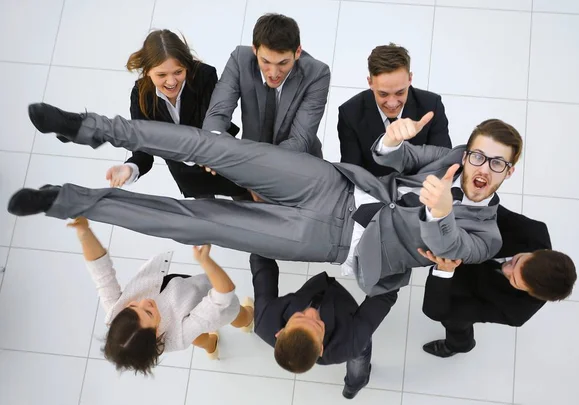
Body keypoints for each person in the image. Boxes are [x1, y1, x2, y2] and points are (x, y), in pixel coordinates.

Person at [12, 102, 521, 296]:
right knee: (213, 147)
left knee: (198, 222)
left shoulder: (487, 234)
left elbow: (452, 244)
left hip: (329, 239)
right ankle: (88, 128)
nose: (482, 170)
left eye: (497, 164)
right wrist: (393, 140)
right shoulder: (452, 157)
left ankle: (66, 200)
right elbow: (393, 163)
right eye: (479, 156)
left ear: (510, 171)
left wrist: (440, 211)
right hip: (334, 185)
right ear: (469, 150)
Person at [66, 216, 255, 374]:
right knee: (234, 313)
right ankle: (246, 322)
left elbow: (101, 272)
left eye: (132, 306)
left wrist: (84, 232)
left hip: (182, 296)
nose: (144, 302)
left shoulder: (115, 311)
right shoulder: (177, 336)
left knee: (198, 336)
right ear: (157, 334)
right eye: (148, 313)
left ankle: (210, 345)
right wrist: (205, 261)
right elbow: (223, 296)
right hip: (197, 301)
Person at [418, 205, 577, 357]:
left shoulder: (515, 312)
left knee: (455, 323)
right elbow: (487, 209)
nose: (505, 269)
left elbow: (435, 310)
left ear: (529, 292)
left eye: (513, 279)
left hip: (467, 290)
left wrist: (444, 271)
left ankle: (459, 345)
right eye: (516, 261)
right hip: (466, 243)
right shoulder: (534, 231)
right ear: (538, 252)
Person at [105, 29, 246, 198]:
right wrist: (130, 168)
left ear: (187, 66)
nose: (171, 82)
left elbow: (215, 121)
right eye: (161, 75)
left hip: (224, 164)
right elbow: (143, 149)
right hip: (189, 179)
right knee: (208, 221)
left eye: (178, 72)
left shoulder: (204, 76)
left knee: (249, 206)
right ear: (147, 70)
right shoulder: (141, 96)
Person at [250, 254, 397, 399]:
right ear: (321, 348)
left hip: (319, 289)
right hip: (346, 328)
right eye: (318, 325)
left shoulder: (264, 319)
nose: (312, 313)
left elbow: (261, 261)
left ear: (280, 332)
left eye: (299, 316)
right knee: (360, 354)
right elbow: (385, 295)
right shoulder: (349, 342)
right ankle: (354, 386)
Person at [202, 13, 330, 158]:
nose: (274, 73)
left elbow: (300, 140)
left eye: (283, 63)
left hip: (297, 163)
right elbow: (218, 114)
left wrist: (256, 161)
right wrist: (213, 146)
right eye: (266, 62)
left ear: (298, 52)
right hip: (252, 159)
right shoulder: (240, 59)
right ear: (254, 50)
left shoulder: (317, 74)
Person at [338, 43, 451, 177]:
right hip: (372, 191)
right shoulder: (350, 113)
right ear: (370, 83)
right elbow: (352, 173)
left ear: (410, 79)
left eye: (400, 92)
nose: (392, 103)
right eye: (383, 94)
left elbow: (444, 163)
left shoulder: (431, 105)